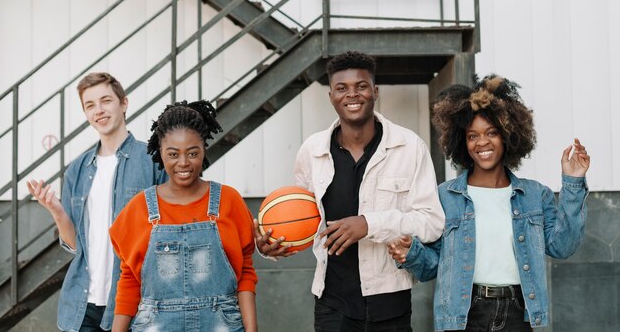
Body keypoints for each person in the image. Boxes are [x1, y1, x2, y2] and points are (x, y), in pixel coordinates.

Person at [255, 51, 445, 331]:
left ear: (375, 91)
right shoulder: (313, 151)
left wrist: (369, 224)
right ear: (331, 95)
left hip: (389, 300)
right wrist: (272, 247)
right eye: (342, 88)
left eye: (361, 86)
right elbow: (300, 220)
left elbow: (432, 223)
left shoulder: (409, 147)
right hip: (333, 304)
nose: (352, 95)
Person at [388, 74, 591, 331]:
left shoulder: (534, 194)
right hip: (463, 314)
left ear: (507, 135)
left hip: (518, 313)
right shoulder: (445, 196)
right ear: (462, 141)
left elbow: (562, 246)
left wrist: (572, 183)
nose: (482, 142)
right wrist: (411, 253)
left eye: (491, 132)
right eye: (472, 136)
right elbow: (433, 268)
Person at [27, 72, 166, 332]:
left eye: (105, 101)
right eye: (90, 105)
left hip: (136, 304)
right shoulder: (77, 169)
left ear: (124, 103)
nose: (98, 111)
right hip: (83, 305)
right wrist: (57, 211)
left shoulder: (152, 160)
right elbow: (73, 245)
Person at [109, 100, 257, 332]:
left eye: (192, 153)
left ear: (204, 150)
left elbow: (245, 272)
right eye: (173, 154)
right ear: (160, 153)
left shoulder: (229, 201)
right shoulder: (140, 208)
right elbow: (129, 278)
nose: (183, 163)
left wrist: (252, 329)